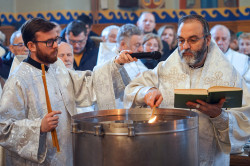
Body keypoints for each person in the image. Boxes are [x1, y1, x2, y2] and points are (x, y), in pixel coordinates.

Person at [0, 17, 136, 165]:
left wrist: (116, 63)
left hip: (66, 155)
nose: (55, 46)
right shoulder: (18, 80)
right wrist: (38, 127)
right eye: (48, 42)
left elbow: (86, 84)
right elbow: (4, 128)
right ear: (31, 46)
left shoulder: (57, 68)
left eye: (56, 40)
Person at [124, 14, 250, 166]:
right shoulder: (164, 69)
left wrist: (218, 115)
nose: (185, 46)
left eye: (193, 40)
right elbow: (132, 89)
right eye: (181, 40)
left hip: (210, 160)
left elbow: (245, 121)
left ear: (208, 40)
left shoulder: (229, 74)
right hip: (168, 157)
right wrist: (147, 92)